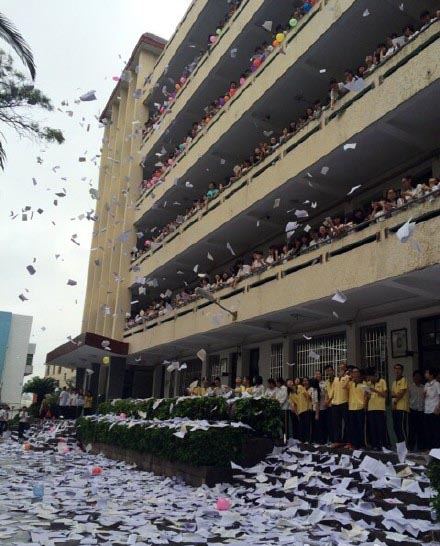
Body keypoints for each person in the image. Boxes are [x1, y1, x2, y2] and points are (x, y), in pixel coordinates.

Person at [366, 368, 388, 450]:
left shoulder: (382, 381)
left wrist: (375, 390)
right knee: (373, 428)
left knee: (381, 428)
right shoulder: (368, 384)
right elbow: (368, 396)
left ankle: (384, 445)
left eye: (370, 377)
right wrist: (367, 393)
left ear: (373, 376)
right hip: (371, 408)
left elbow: (385, 395)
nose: (369, 379)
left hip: (380, 408)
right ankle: (376, 445)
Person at [330, 362, 350, 447]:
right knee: (336, 423)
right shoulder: (335, 378)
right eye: (339, 366)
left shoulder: (347, 377)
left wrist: (348, 376)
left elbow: (345, 387)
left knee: (347, 423)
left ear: (345, 368)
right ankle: (337, 441)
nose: (340, 367)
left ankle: (347, 441)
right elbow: (333, 390)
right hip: (335, 403)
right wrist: (329, 400)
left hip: (344, 402)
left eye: (342, 366)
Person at [347, 367, 367, 448]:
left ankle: (362, 444)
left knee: (360, 427)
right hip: (351, 408)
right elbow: (343, 386)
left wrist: (365, 406)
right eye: (353, 372)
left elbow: (367, 395)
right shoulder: (351, 383)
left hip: (360, 408)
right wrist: (349, 378)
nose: (354, 374)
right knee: (352, 427)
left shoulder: (364, 383)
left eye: (356, 372)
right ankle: (354, 444)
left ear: (359, 373)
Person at [391, 363, 409, 444]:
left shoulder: (403, 380)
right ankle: (400, 447)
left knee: (401, 428)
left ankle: (406, 447)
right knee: (396, 428)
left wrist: (395, 401)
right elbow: (392, 394)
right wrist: (395, 395)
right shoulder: (394, 382)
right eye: (395, 369)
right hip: (395, 408)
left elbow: (400, 394)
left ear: (402, 371)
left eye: (399, 369)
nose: (397, 370)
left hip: (401, 407)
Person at [423, 368, 440, 449]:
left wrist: (438, 407)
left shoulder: (437, 384)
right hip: (427, 410)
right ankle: (429, 449)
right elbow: (424, 397)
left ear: (431, 375)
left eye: (427, 372)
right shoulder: (426, 384)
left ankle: (436, 449)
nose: (425, 374)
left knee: (435, 431)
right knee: (427, 431)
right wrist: (423, 394)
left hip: (434, 410)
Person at [408, 370, 425, 451]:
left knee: (421, 430)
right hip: (412, 411)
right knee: (412, 430)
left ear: (421, 377)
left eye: (418, 376)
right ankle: (410, 448)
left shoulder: (424, 387)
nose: (417, 378)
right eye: (415, 376)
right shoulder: (410, 387)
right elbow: (407, 399)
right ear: (413, 377)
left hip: (421, 411)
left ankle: (420, 447)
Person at [297, 378, 312, 442]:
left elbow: (309, 397)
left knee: (307, 426)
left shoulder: (311, 389)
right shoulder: (300, 388)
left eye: (306, 381)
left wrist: (304, 391)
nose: (305, 382)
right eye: (304, 381)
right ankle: (302, 440)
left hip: (308, 409)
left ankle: (307, 440)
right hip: (301, 410)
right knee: (301, 426)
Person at [324, 365, 335, 443]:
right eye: (327, 371)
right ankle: (331, 439)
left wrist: (329, 400)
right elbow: (326, 392)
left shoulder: (337, 380)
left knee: (335, 423)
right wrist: (326, 401)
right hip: (328, 405)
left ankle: (335, 440)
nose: (329, 372)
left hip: (335, 404)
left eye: (330, 370)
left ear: (333, 371)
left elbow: (335, 392)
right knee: (329, 423)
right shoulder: (327, 382)